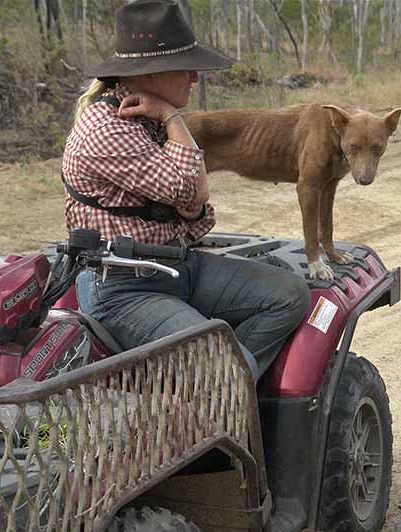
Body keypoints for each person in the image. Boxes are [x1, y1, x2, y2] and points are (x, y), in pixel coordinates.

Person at [63, 0, 310, 378]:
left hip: (175, 266)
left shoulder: (147, 123)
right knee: (231, 367)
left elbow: (198, 214)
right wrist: (172, 116)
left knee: (290, 295)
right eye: (184, 68)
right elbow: (188, 190)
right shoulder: (106, 129)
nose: (194, 78)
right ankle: (223, 389)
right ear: (148, 74)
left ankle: (220, 394)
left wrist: (190, 202)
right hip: (125, 288)